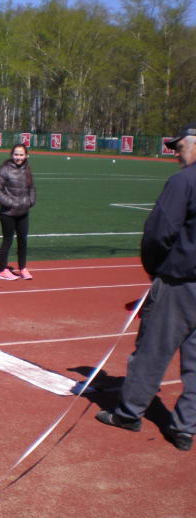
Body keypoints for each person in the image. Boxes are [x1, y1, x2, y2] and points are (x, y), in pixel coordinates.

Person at [95, 122, 196, 452]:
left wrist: (157, 271)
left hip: (179, 283)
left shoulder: (184, 181)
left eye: (179, 146)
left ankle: (129, 414)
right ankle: (185, 427)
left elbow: (158, 232)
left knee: (152, 351)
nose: (176, 153)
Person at [0, 143, 36, 281]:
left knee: (23, 241)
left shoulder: (27, 170)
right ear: (12, 155)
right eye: (16, 154)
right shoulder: (5, 170)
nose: (18, 157)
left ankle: (22, 268)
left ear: (26, 156)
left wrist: (31, 201)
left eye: (21, 154)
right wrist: (10, 203)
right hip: (8, 213)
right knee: (8, 241)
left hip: (23, 212)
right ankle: (3, 270)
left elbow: (32, 188)